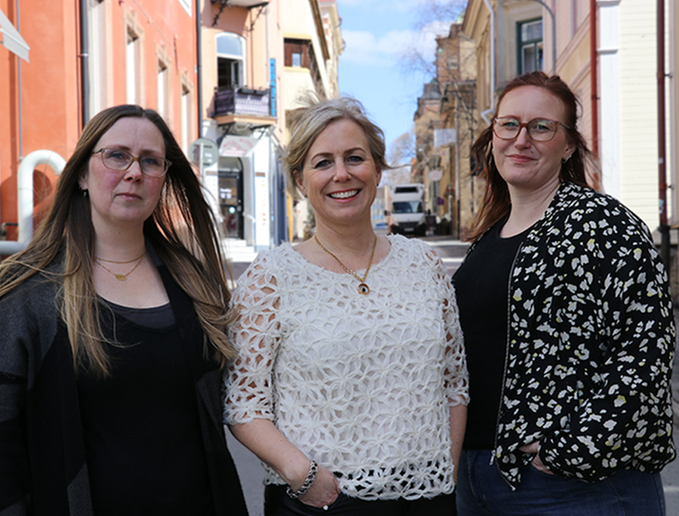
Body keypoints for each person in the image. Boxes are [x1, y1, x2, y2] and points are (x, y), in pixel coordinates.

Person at [224, 96, 469, 515]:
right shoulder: (271, 278)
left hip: (427, 497)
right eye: (322, 163)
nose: (341, 174)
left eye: (355, 158)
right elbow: (244, 404)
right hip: (321, 502)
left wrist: (446, 467)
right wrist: (303, 475)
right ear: (300, 180)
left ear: (376, 168)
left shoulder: (424, 263)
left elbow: (454, 382)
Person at [0, 105, 249, 515]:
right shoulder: (29, 294)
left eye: (150, 161)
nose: (134, 172)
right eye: (116, 155)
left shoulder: (195, 286)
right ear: (82, 173)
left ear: (163, 179)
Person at [452, 71, 676, 515]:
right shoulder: (489, 237)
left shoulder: (601, 223)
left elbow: (647, 348)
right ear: (492, 134)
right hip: (479, 477)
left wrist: (571, 450)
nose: (521, 140)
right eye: (508, 124)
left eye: (541, 127)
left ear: (569, 144)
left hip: (572, 486)